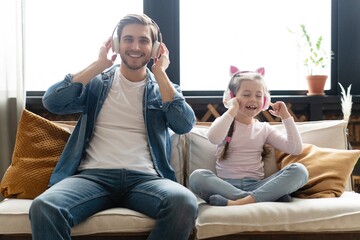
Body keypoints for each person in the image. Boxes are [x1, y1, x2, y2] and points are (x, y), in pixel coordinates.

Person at [29, 13, 198, 240]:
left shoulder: (165, 89)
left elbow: (184, 125)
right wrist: (99, 64)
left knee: (184, 202)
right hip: (92, 178)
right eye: (128, 39)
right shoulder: (97, 83)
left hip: (146, 180)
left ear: (156, 47)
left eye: (144, 40)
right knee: (45, 206)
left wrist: (160, 74)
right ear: (117, 44)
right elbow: (53, 101)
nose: (135, 46)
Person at [189, 66, 309, 206]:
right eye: (246, 95)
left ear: (264, 101)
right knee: (197, 177)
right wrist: (232, 110)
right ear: (231, 98)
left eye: (258, 96)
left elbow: (295, 148)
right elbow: (213, 138)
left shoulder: (264, 129)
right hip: (226, 186)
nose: (253, 99)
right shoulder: (224, 122)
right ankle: (263, 198)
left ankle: (239, 202)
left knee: (300, 171)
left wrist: (286, 117)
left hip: (257, 186)